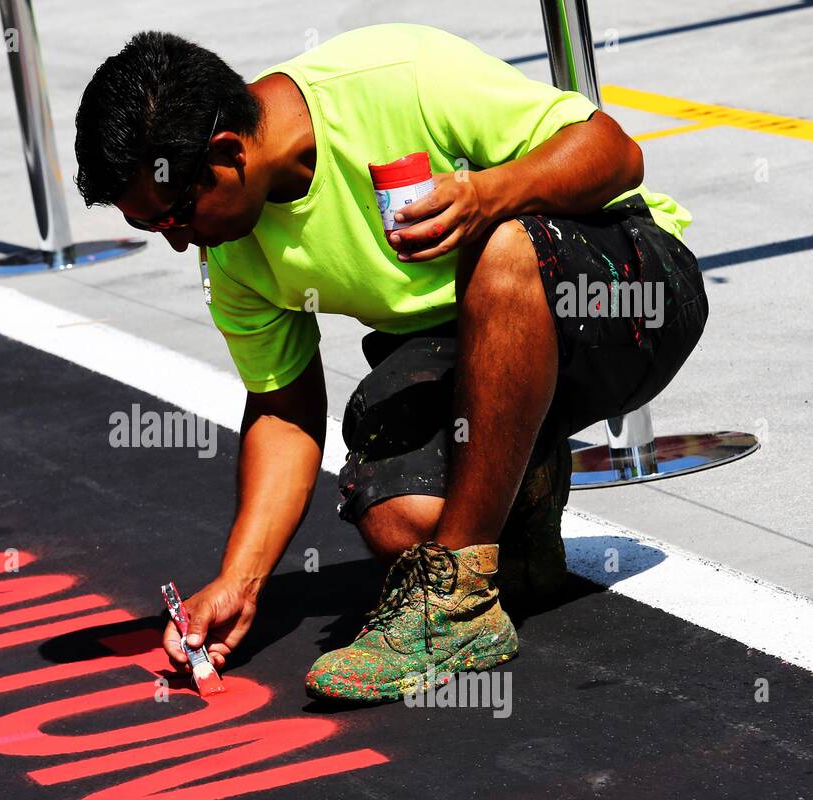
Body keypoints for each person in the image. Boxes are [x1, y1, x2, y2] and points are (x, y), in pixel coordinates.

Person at [72, 24, 708, 702]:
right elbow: (284, 409)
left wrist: (490, 192)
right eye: (148, 227)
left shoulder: (399, 76)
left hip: (628, 294)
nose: (175, 243)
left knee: (505, 252)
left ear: (227, 153)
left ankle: (455, 606)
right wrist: (240, 579)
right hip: (476, 351)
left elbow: (615, 153)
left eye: (173, 215)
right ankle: (523, 494)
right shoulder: (232, 252)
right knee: (396, 520)